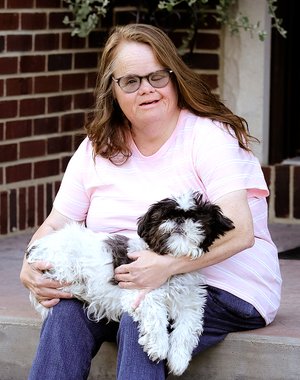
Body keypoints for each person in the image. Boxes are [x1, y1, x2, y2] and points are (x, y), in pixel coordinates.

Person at [20, 23, 282, 380]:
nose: (146, 90)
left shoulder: (208, 138)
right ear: (113, 90)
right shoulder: (96, 149)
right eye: (130, 81)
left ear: (174, 78)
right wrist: (30, 265)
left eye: (156, 77)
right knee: (66, 311)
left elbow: (241, 231)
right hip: (121, 284)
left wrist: (166, 266)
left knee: (144, 311)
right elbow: (55, 223)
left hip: (224, 285)